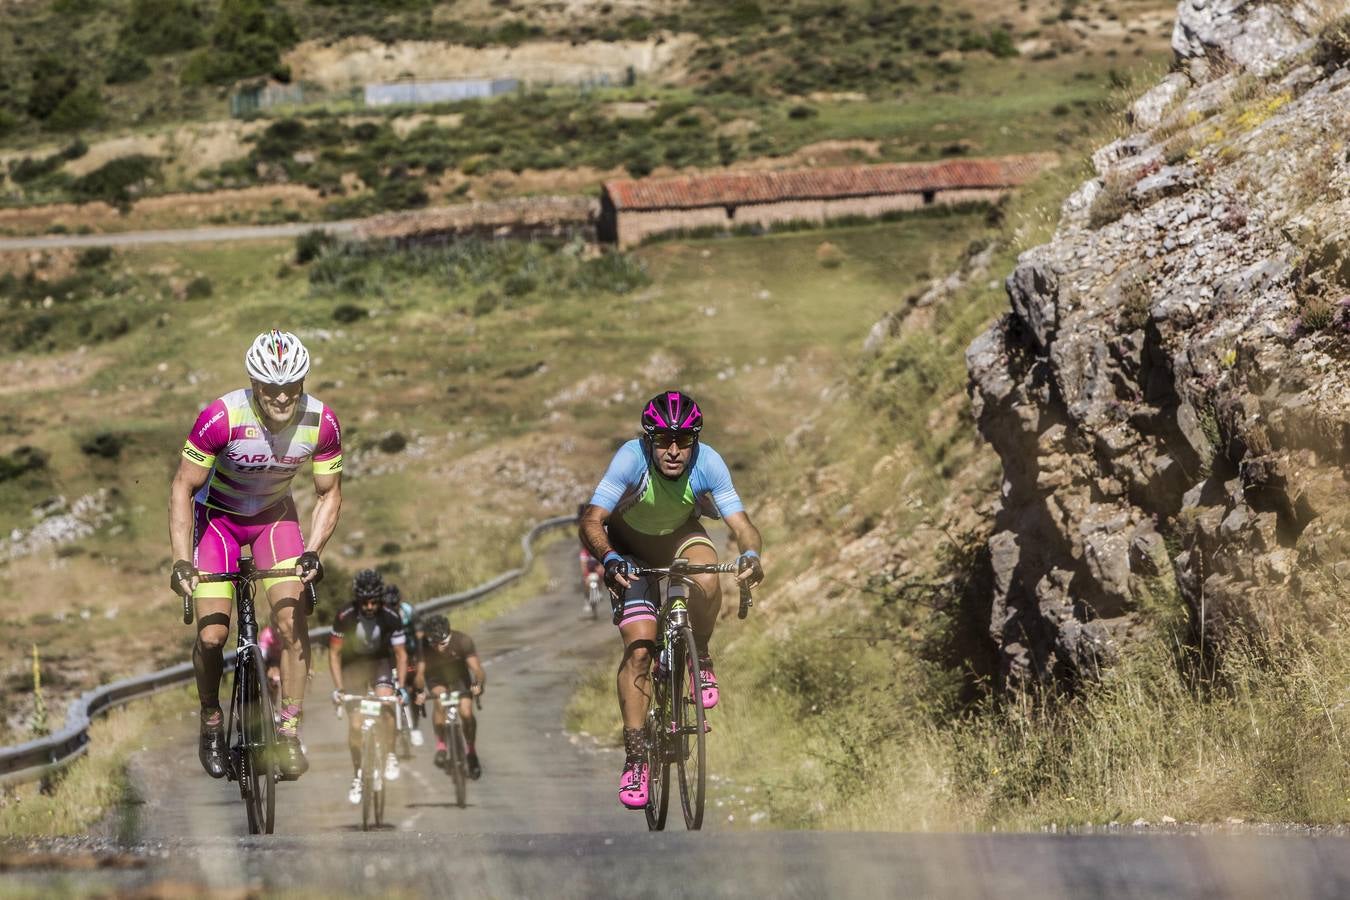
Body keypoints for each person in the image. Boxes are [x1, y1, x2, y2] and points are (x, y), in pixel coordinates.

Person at [578, 390, 764, 810]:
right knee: (641, 651)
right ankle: (637, 756)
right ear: (649, 440)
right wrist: (608, 559)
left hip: (681, 537)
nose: (675, 450)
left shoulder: (709, 462)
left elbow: (743, 525)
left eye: (684, 439)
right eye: (663, 440)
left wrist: (752, 554)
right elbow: (592, 519)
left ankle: (700, 653)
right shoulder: (630, 459)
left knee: (709, 576)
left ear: (696, 439)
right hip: (628, 549)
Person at [169, 329, 342, 781]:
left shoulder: (322, 422)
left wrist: (313, 552)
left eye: (291, 386)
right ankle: (211, 722)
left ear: (302, 382)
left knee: (290, 622)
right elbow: (183, 486)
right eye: (271, 387)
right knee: (211, 636)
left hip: (273, 520)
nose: (282, 398)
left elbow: (329, 493)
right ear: (254, 382)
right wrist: (180, 559)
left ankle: (287, 733)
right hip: (219, 522)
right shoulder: (221, 417)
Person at [330, 568, 409, 805]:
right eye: (365, 601)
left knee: (386, 703)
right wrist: (340, 689)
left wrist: (401, 687)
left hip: (380, 663)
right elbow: (334, 654)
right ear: (358, 599)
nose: (370, 606)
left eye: (375, 601)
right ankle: (357, 776)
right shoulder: (344, 616)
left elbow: (401, 655)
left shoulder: (391, 617)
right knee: (355, 725)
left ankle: (391, 754)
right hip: (353, 665)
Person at [414, 613, 485, 779]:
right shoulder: (423, 647)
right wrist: (419, 691)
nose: (439, 648)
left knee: (466, 713)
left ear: (450, 634)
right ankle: (441, 746)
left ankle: (471, 752)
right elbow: (420, 674)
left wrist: (478, 685)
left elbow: (478, 670)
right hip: (436, 677)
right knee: (440, 702)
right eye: (434, 644)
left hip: (459, 676)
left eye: (443, 643)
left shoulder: (463, 641)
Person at [384, 583, 423, 745]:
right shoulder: (382, 614)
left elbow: (419, 636)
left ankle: (414, 727)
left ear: (399, 601)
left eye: (395, 605)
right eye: (389, 605)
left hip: (410, 652)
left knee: (412, 688)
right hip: (390, 654)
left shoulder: (409, 611)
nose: (393, 608)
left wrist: (419, 659)